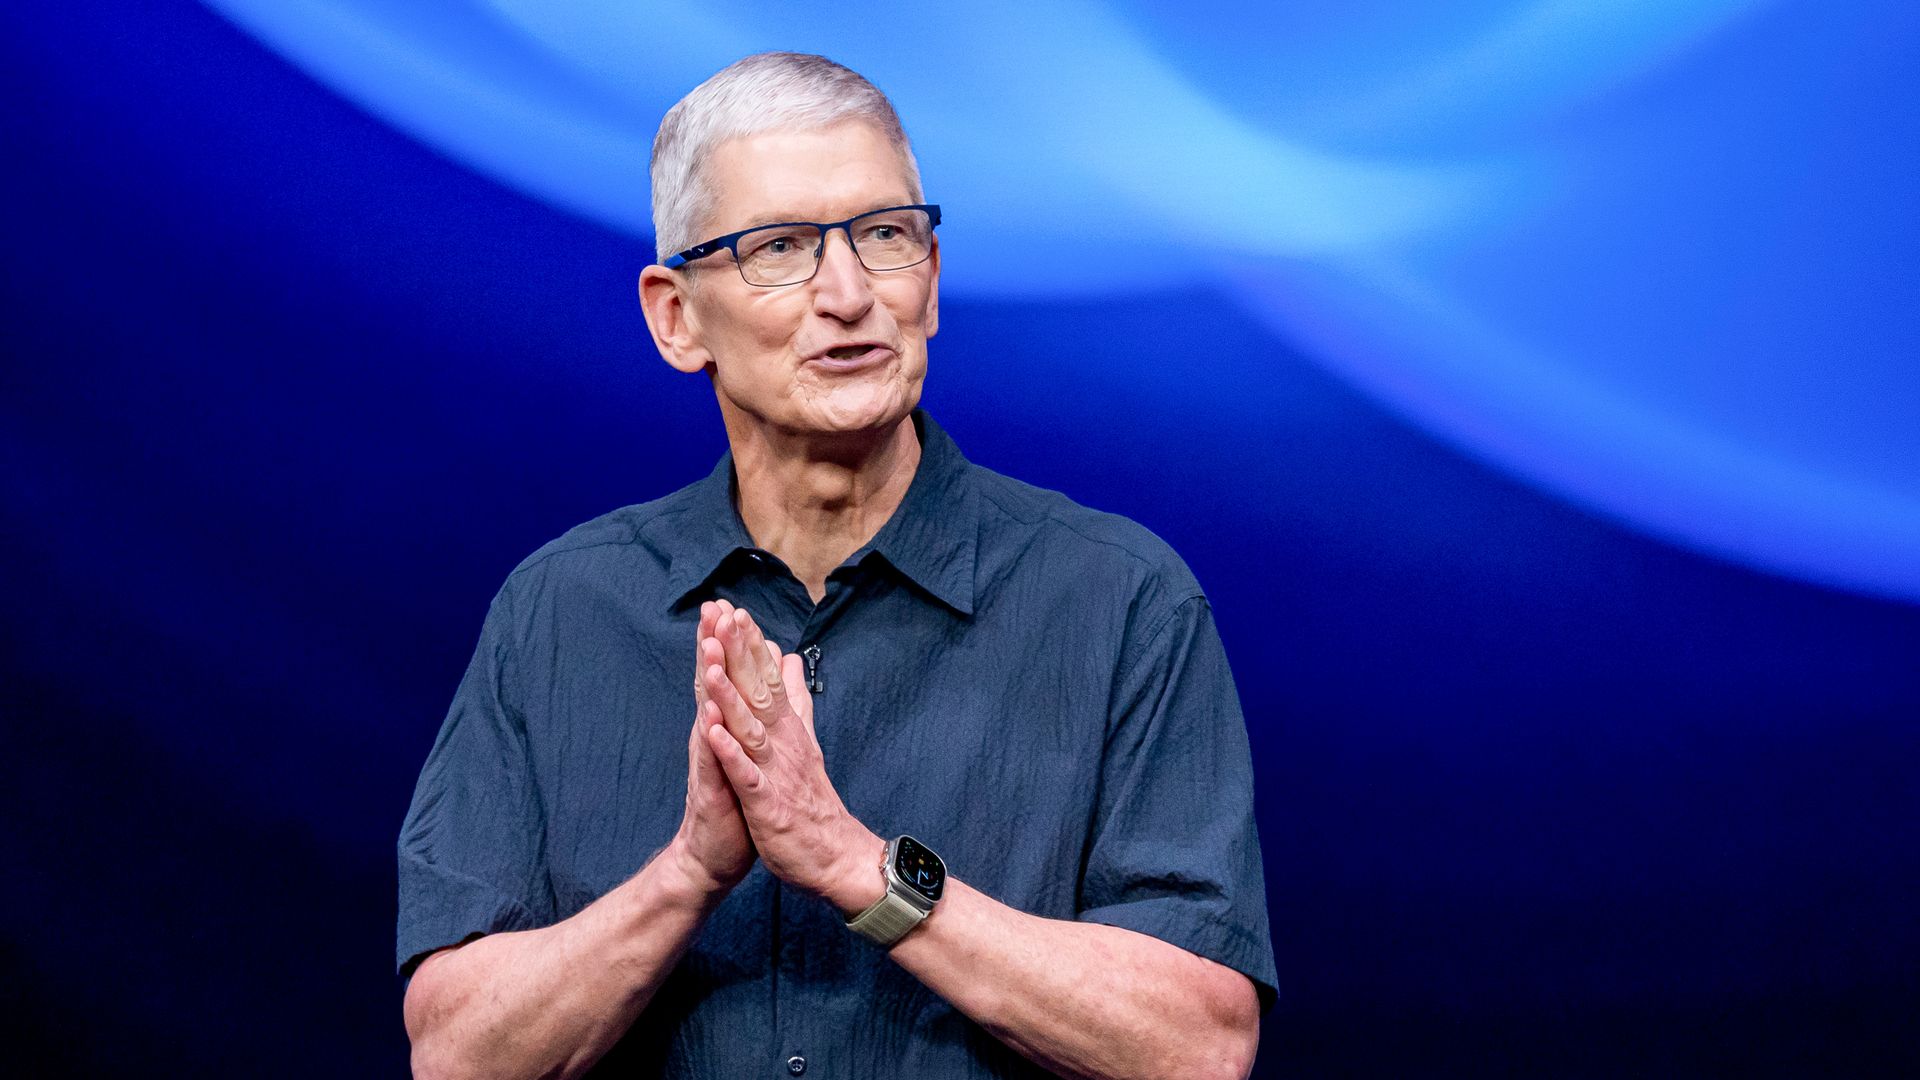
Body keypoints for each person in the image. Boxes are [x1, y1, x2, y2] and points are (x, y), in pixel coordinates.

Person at [397, 52, 1276, 1079]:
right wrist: (688, 875)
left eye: (885, 236)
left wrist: (851, 863)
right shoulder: (561, 611)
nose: (850, 294)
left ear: (931, 281)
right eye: (781, 248)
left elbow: (1199, 1045)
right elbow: (453, 1054)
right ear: (677, 317)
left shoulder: (1120, 600)